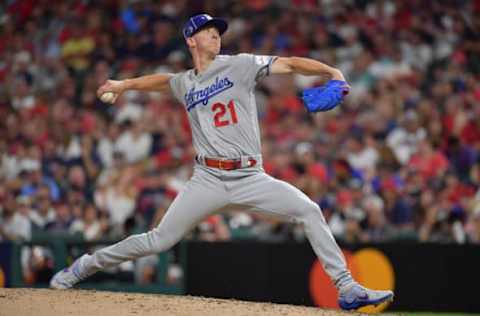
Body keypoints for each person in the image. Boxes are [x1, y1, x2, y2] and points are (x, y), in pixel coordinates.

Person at [50, 13, 394, 310]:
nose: (216, 33)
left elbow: (289, 63)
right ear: (191, 40)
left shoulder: (240, 64)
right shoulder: (185, 82)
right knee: (159, 240)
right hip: (208, 179)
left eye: (218, 30)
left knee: (309, 210)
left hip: (250, 177)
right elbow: (162, 81)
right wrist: (125, 84)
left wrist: (331, 70)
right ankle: (84, 266)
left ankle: (347, 289)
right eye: (208, 30)